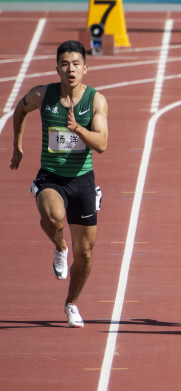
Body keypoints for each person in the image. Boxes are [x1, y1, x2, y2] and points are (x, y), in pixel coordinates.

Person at [9, 40, 109, 328]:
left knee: (87, 254)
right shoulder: (44, 94)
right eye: (65, 64)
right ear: (57, 68)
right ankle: (60, 246)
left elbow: (102, 144)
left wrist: (79, 130)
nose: (70, 69)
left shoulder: (96, 101)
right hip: (51, 178)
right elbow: (19, 110)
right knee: (53, 216)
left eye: (76, 64)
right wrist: (17, 147)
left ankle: (71, 303)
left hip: (83, 181)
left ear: (85, 68)